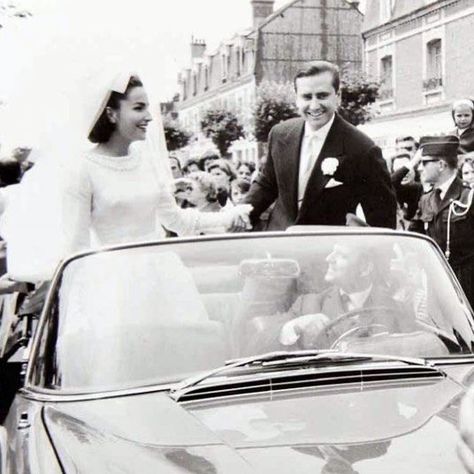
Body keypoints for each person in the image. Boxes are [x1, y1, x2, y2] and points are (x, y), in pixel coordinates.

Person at [1, 73, 252, 282]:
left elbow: (176, 220)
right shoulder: (82, 169)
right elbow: (77, 249)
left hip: (159, 276)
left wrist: (226, 217)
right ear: (111, 114)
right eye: (138, 108)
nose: (150, 117)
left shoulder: (148, 161)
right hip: (111, 282)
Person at [244, 60, 397, 230]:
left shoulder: (363, 148)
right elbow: (267, 184)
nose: (314, 105)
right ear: (296, 98)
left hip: (327, 250)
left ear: (337, 96)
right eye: (307, 97)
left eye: (322, 96)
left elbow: (382, 220)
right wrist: (241, 213)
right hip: (279, 245)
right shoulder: (280, 134)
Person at [250, 242, 415, 353]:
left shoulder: (397, 310)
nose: (329, 259)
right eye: (332, 252)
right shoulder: (308, 304)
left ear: (365, 267)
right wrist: (294, 327)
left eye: (341, 255)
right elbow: (256, 346)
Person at [409, 135, 474, 306]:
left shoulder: (469, 197)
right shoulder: (426, 200)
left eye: (424, 163)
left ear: (441, 165)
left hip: (467, 283)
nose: (420, 169)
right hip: (438, 283)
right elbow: (412, 236)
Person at [390, 150, 424, 228]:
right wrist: (409, 165)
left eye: (408, 170)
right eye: (399, 170)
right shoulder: (392, 191)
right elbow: (391, 182)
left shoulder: (421, 188)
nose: (404, 174)